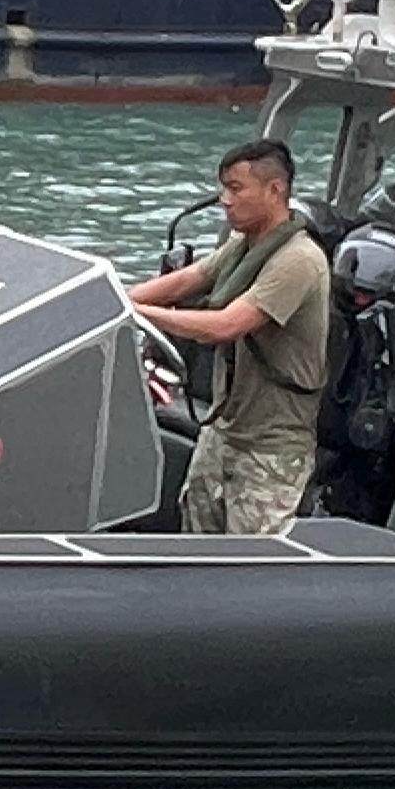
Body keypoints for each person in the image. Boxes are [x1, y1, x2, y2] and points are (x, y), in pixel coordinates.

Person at [129, 136, 332, 534]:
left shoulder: (298, 260)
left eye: (236, 188)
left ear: (275, 191)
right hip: (224, 429)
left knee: (253, 562)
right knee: (196, 537)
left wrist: (136, 313)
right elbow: (189, 279)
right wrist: (111, 296)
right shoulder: (243, 246)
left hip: (270, 446)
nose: (224, 199)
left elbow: (226, 325)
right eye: (223, 188)